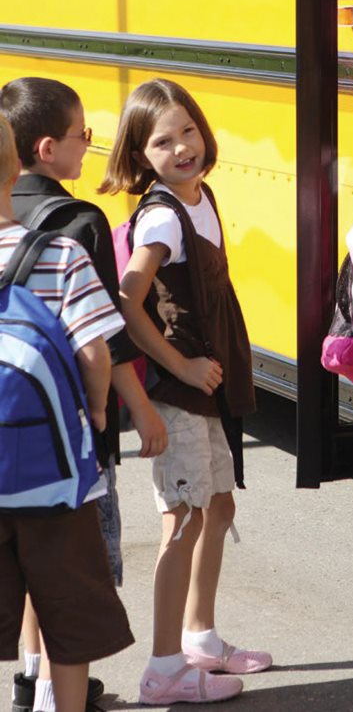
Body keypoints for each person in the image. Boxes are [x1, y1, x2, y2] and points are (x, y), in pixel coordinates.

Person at [98, 79, 270, 705]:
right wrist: (184, 365)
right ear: (142, 155)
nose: (181, 148)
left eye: (188, 131)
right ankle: (163, 668)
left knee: (218, 507)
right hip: (181, 388)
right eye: (162, 141)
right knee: (184, 520)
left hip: (211, 386)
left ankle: (200, 638)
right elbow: (126, 300)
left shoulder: (200, 196)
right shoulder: (165, 213)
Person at [0, 77, 167, 712]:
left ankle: (25, 681)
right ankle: (58, 696)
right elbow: (103, 347)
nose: (89, 146)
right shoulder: (72, 230)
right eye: (82, 136)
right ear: (40, 150)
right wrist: (109, 411)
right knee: (68, 588)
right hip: (57, 458)